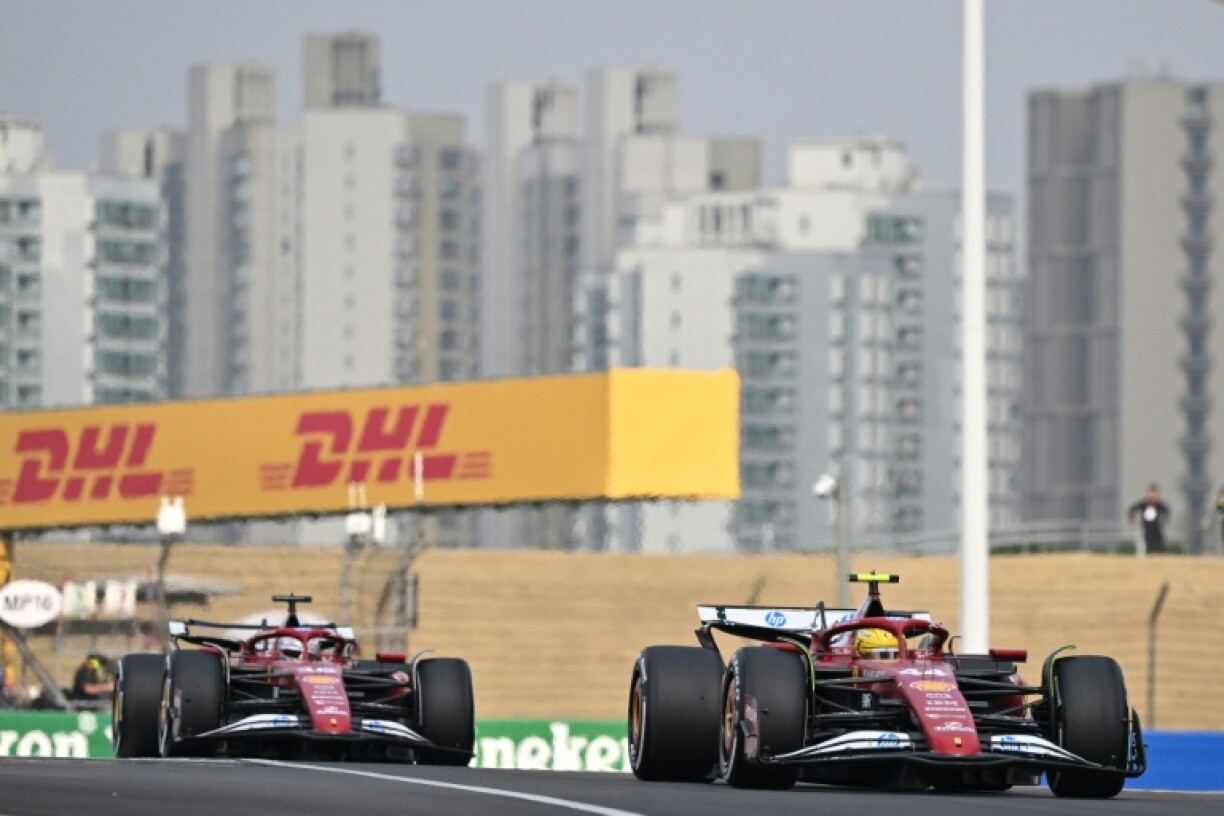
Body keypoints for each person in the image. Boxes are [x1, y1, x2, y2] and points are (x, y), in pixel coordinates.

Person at [1128, 483, 1171, 554]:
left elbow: (1166, 511)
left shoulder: (1159, 505)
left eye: (1155, 494)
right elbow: (1132, 509)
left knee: (1161, 547)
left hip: (1157, 530)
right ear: (1147, 494)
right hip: (1147, 530)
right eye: (1151, 494)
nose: (1152, 496)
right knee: (1149, 549)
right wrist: (1132, 519)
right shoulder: (1143, 504)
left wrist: (1166, 520)